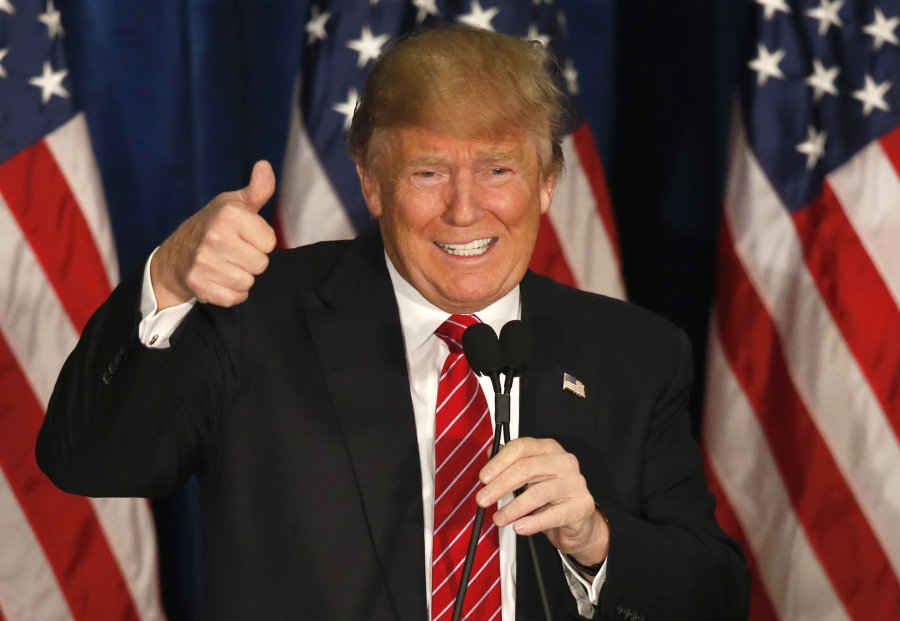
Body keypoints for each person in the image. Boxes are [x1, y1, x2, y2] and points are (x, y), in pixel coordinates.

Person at [37, 25, 749, 621]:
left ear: (548, 181)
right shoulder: (258, 316)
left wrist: (595, 539)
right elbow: (88, 459)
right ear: (371, 182)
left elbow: (714, 593)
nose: (465, 210)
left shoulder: (633, 353)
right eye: (428, 172)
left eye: (499, 169)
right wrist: (167, 278)